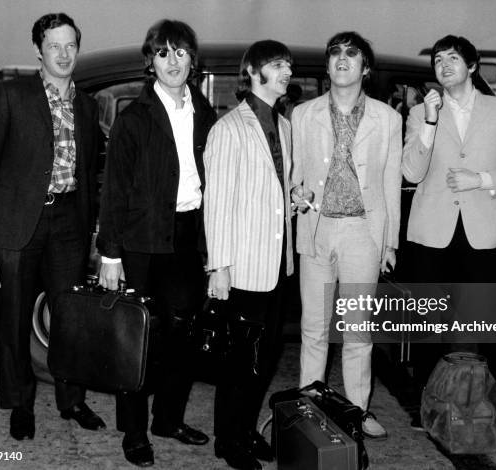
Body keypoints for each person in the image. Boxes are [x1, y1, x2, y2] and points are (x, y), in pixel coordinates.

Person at [0, 13, 104, 441]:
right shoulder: (10, 95)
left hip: (69, 223)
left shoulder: (86, 105)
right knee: (13, 319)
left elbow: (87, 172)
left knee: (69, 318)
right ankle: (19, 404)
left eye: (70, 46)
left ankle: (71, 400)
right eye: (54, 46)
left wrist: (91, 229)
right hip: (15, 222)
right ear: (38, 51)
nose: (63, 55)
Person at [402, 35, 496, 443]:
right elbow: (410, 173)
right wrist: (428, 121)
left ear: (473, 65)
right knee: (429, 329)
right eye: (438, 59)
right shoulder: (419, 112)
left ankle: (493, 412)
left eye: (453, 58)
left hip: (485, 235)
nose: (444, 65)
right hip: (432, 234)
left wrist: (481, 180)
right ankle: (429, 409)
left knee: (489, 331)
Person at [96, 19, 217, 467]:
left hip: (188, 238)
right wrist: (110, 254)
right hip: (141, 242)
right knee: (136, 341)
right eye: (163, 53)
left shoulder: (205, 113)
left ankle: (168, 419)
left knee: (183, 337)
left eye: (181, 52)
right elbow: (114, 192)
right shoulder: (134, 118)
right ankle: (134, 432)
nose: (173, 61)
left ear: (192, 60)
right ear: (151, 61)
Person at [291, 31, 402, 439]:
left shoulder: (389, 118)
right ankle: (308, 408)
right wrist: (295, 191)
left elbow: (391, 183)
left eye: (352, 54)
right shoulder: (303, 114)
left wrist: (388, 241)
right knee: (314, 329)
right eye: (335, 53)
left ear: (365, 67)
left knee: (358, 332)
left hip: (362, 233)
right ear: (327, 66)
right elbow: (292, 173)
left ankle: (356, 412)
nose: (342, 59)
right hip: (317, 231)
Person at [204, 40, 294, 470]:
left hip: (276, 266)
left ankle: (243, 430)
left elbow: (272, 193)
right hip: (241, 268)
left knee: (262, 361)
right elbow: (217, 205)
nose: (287, 72)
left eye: (288, 66)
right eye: (278, 65)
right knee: (239, 362)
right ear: (255, 72)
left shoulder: (284, 125)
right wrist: (218, 267)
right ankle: (228, 440)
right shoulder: (229, 129)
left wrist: (295, 197)